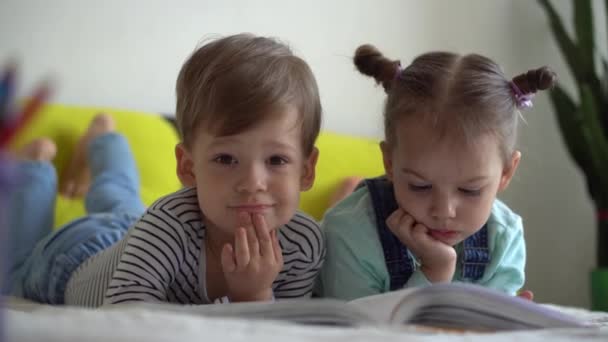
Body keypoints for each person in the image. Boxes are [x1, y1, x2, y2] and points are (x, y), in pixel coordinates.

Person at [4, 33, 325, 307]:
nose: (253, 183)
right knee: (13, 272)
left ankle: (103, 138)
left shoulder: (304, 243)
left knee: (123, 204)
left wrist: (255, 294)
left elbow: (284, 330)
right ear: (188, 167)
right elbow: (125, 324)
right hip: (68, 263)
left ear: (306, 171)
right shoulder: (168, 225)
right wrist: (248, 300)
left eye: (277, 161)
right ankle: (34, 167)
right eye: (226, 159)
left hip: (134, 231)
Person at [316, 44, 556, 301]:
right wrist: (434, 272)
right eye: (420, 186)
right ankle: (348, 192)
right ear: (389, 162)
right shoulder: (349, 233)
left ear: (506, 173)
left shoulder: (503, 237)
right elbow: (359, 331)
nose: (444, 211)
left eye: (470, 190)